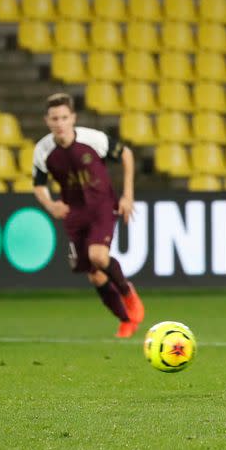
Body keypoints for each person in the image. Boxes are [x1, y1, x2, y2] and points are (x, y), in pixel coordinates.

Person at [32, 93, 144, 338]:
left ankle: (128, 293)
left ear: (72, 118)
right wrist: (50, 205)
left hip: (101, 205)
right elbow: (38, 184)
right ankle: (125, 319)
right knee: (94, 274)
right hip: (75, 212)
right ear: (47, 121)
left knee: (98, 256)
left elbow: (125, 154)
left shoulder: (93, 139)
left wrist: (128, 195)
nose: (60, 123)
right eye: (54, 119)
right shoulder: (43, 150)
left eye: (64, 117)